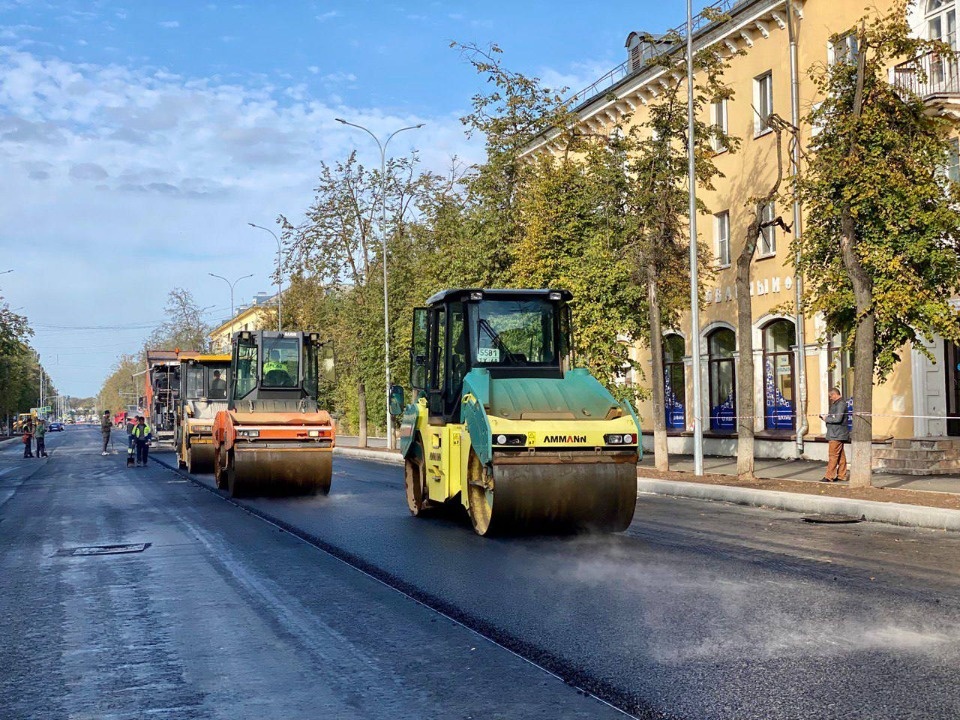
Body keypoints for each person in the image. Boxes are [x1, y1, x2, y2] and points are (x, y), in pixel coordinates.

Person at [820, 387, 850, 482]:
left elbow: (837, 419)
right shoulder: (838, 403)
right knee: (840, 455)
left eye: (830, 396)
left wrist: (826, 419)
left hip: (836, 434)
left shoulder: (840, 404)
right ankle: (842, 475)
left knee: (833, 455)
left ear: (834, 394)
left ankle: (829, 476)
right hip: (836, 433)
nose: (830, 398)